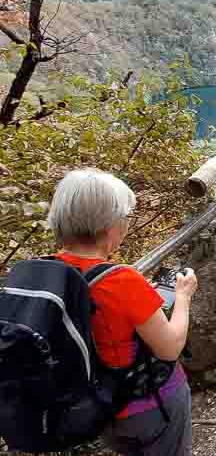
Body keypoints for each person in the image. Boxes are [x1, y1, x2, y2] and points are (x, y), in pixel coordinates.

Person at [47, 168, 197, 455]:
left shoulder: (51, 271)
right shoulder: (121, 280)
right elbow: (170, 347)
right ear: (109, 226)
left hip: (97, 407)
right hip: (150, 405)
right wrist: (184, 296)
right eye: (125, 218)